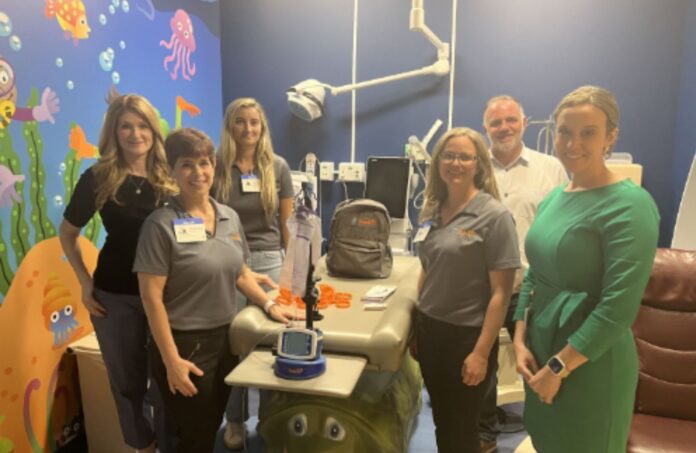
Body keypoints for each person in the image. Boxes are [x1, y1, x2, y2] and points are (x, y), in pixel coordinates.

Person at [134, 128, 300, 453]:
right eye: (187, 164)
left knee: (209, 427)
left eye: (204, 163)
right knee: (188, 438)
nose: (198, 172)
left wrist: (269, 305)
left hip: (225, 340)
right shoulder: (159, 225)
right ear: (172, 170)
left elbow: (240, 273)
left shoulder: (228, 217)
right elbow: (150, 297)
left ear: (213, 166)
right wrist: (171, 360)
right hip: (185, 344)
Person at [512, 86, 660, 452]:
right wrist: (519, 338)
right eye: (565, 131)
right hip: (542, 350)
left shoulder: (630, 206)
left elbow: (617, 310)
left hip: (590, 363)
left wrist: (558, 368)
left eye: (588, 133)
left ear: (611, 136)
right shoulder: (555, 197)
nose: (572, 143)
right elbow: (534, 274)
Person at [59, 94, 178, 453]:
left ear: (153, 130)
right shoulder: (98, 178)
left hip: (167, 295)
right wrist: (85, 282)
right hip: (115, 295)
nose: (135, 134)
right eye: (126, 126)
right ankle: (143, 445)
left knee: (167, 377)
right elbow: (68, 233)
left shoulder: (172, 174)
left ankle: (170, 445)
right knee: (126, 381)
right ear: (114, 131)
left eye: (142, 125)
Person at [415, 127, 520, 452]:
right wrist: (416, 325)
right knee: (443, 421)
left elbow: (501, 294)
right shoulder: (433, 210)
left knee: (461, 429)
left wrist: (480, 353)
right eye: (449, 156)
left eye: (464, 157)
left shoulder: (495, 217)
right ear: (438, 162)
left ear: (479, 165)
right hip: (430, 331)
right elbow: (427, 268)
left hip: (466, 337)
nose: (455, 163)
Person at [478, 95, 568, 451]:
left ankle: (539, 436)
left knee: (536, 360)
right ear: (486, 128)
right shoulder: (473, 167)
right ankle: (484, 435)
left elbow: (563, 225)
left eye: (511, 120)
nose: (504, 128)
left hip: (533, 288)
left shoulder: (551, 169)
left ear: (525, 123)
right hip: (482, 287)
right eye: (496, 122)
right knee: (480, 362)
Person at [213, 97, 295, 449]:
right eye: (241, 121)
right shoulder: (216, 166)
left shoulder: (277, 167)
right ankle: (234, 419)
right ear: (230, 126)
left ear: (262, 128)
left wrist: (292, 270)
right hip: (229, 263)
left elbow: (287, 224)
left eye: (254, 122)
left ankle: (270, 418)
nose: (248, 129)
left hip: (271, 260)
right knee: (233, 344)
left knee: (273, 342)